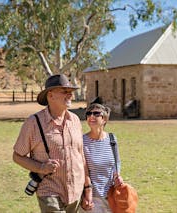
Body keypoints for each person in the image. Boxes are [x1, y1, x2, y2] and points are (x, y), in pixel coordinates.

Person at [13, 74, 90, 213]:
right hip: (49, 190)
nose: (69, 95)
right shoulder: (33, 123)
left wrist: (87, 188)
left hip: (76, 191)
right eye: (64, 91)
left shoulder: (75, 120)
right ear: (50, 95)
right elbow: (17, 156)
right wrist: (41, 167)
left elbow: (81, 155)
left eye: (70, 92)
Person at [80, 103, 124, 213]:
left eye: (96, 114)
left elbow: (116, 162)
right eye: (88, 114)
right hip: (91, 199)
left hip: (111, 196)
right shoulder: (81, 141)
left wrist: (117, 175)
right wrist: (85, 194)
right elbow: (81, 170)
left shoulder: (112, 139)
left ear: (104, 119)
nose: (91, 116)